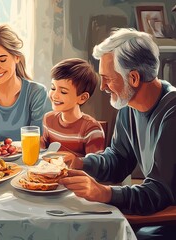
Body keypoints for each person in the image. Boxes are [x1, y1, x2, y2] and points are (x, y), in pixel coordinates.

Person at [58, 28, 176, 239]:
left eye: (107, 79)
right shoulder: (128, 105)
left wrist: (104, 193)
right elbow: (119, 160)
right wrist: (80, 163)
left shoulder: (172, 113)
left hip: (166, 223)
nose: (102, 87)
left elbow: (159, 192)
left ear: (133, 78)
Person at [41, 58, 105, 157]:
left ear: (82, 98)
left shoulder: (91, 129)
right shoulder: (48, 119)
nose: (54, 95)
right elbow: (43, 151)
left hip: (76, 173)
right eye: (53, 88)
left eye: (63, 92)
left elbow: (94, 168)